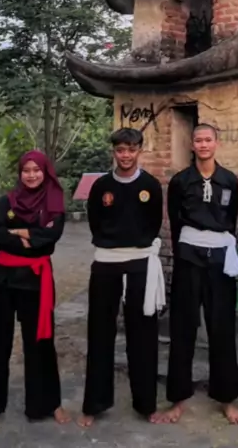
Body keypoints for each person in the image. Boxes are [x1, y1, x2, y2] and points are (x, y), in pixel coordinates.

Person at [78, 128, 164, 428]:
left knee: (143, 336)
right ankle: (95, 403)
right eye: (120, 150)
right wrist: (113, 245)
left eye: (131, 149)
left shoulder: (150, 185)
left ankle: (146, 404)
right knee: (100, 332)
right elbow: (95, 222)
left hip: (139, 263)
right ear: (113, 151)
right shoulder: (101, 186)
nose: (125, 155)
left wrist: (135, 246)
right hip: (106, 263)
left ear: (140, 150)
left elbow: (154, 223)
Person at [159, 124, 238, 425]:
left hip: (219, 258)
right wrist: (186, 251)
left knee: (222, 326)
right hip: (188, 257)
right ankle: (178, 398)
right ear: (192, 144)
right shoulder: (181, 181)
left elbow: (230, 219)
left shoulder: (229, 180)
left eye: (208, 140)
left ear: (216, 143)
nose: (203, 144)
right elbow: (175, 220)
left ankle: (227, 397)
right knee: (182, 326)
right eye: (198, 140)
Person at [0, 150, 69, 423]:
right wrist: (31, 238)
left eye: (36, 170)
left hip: (35, 281)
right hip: (1, 278)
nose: (31, 175)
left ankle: (45, 404)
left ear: (45, 172)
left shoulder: (53, 203)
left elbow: (50, 237)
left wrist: (18, 232)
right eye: (26, 170)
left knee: (40, 342)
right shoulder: (6, 201)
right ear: (20, 173)